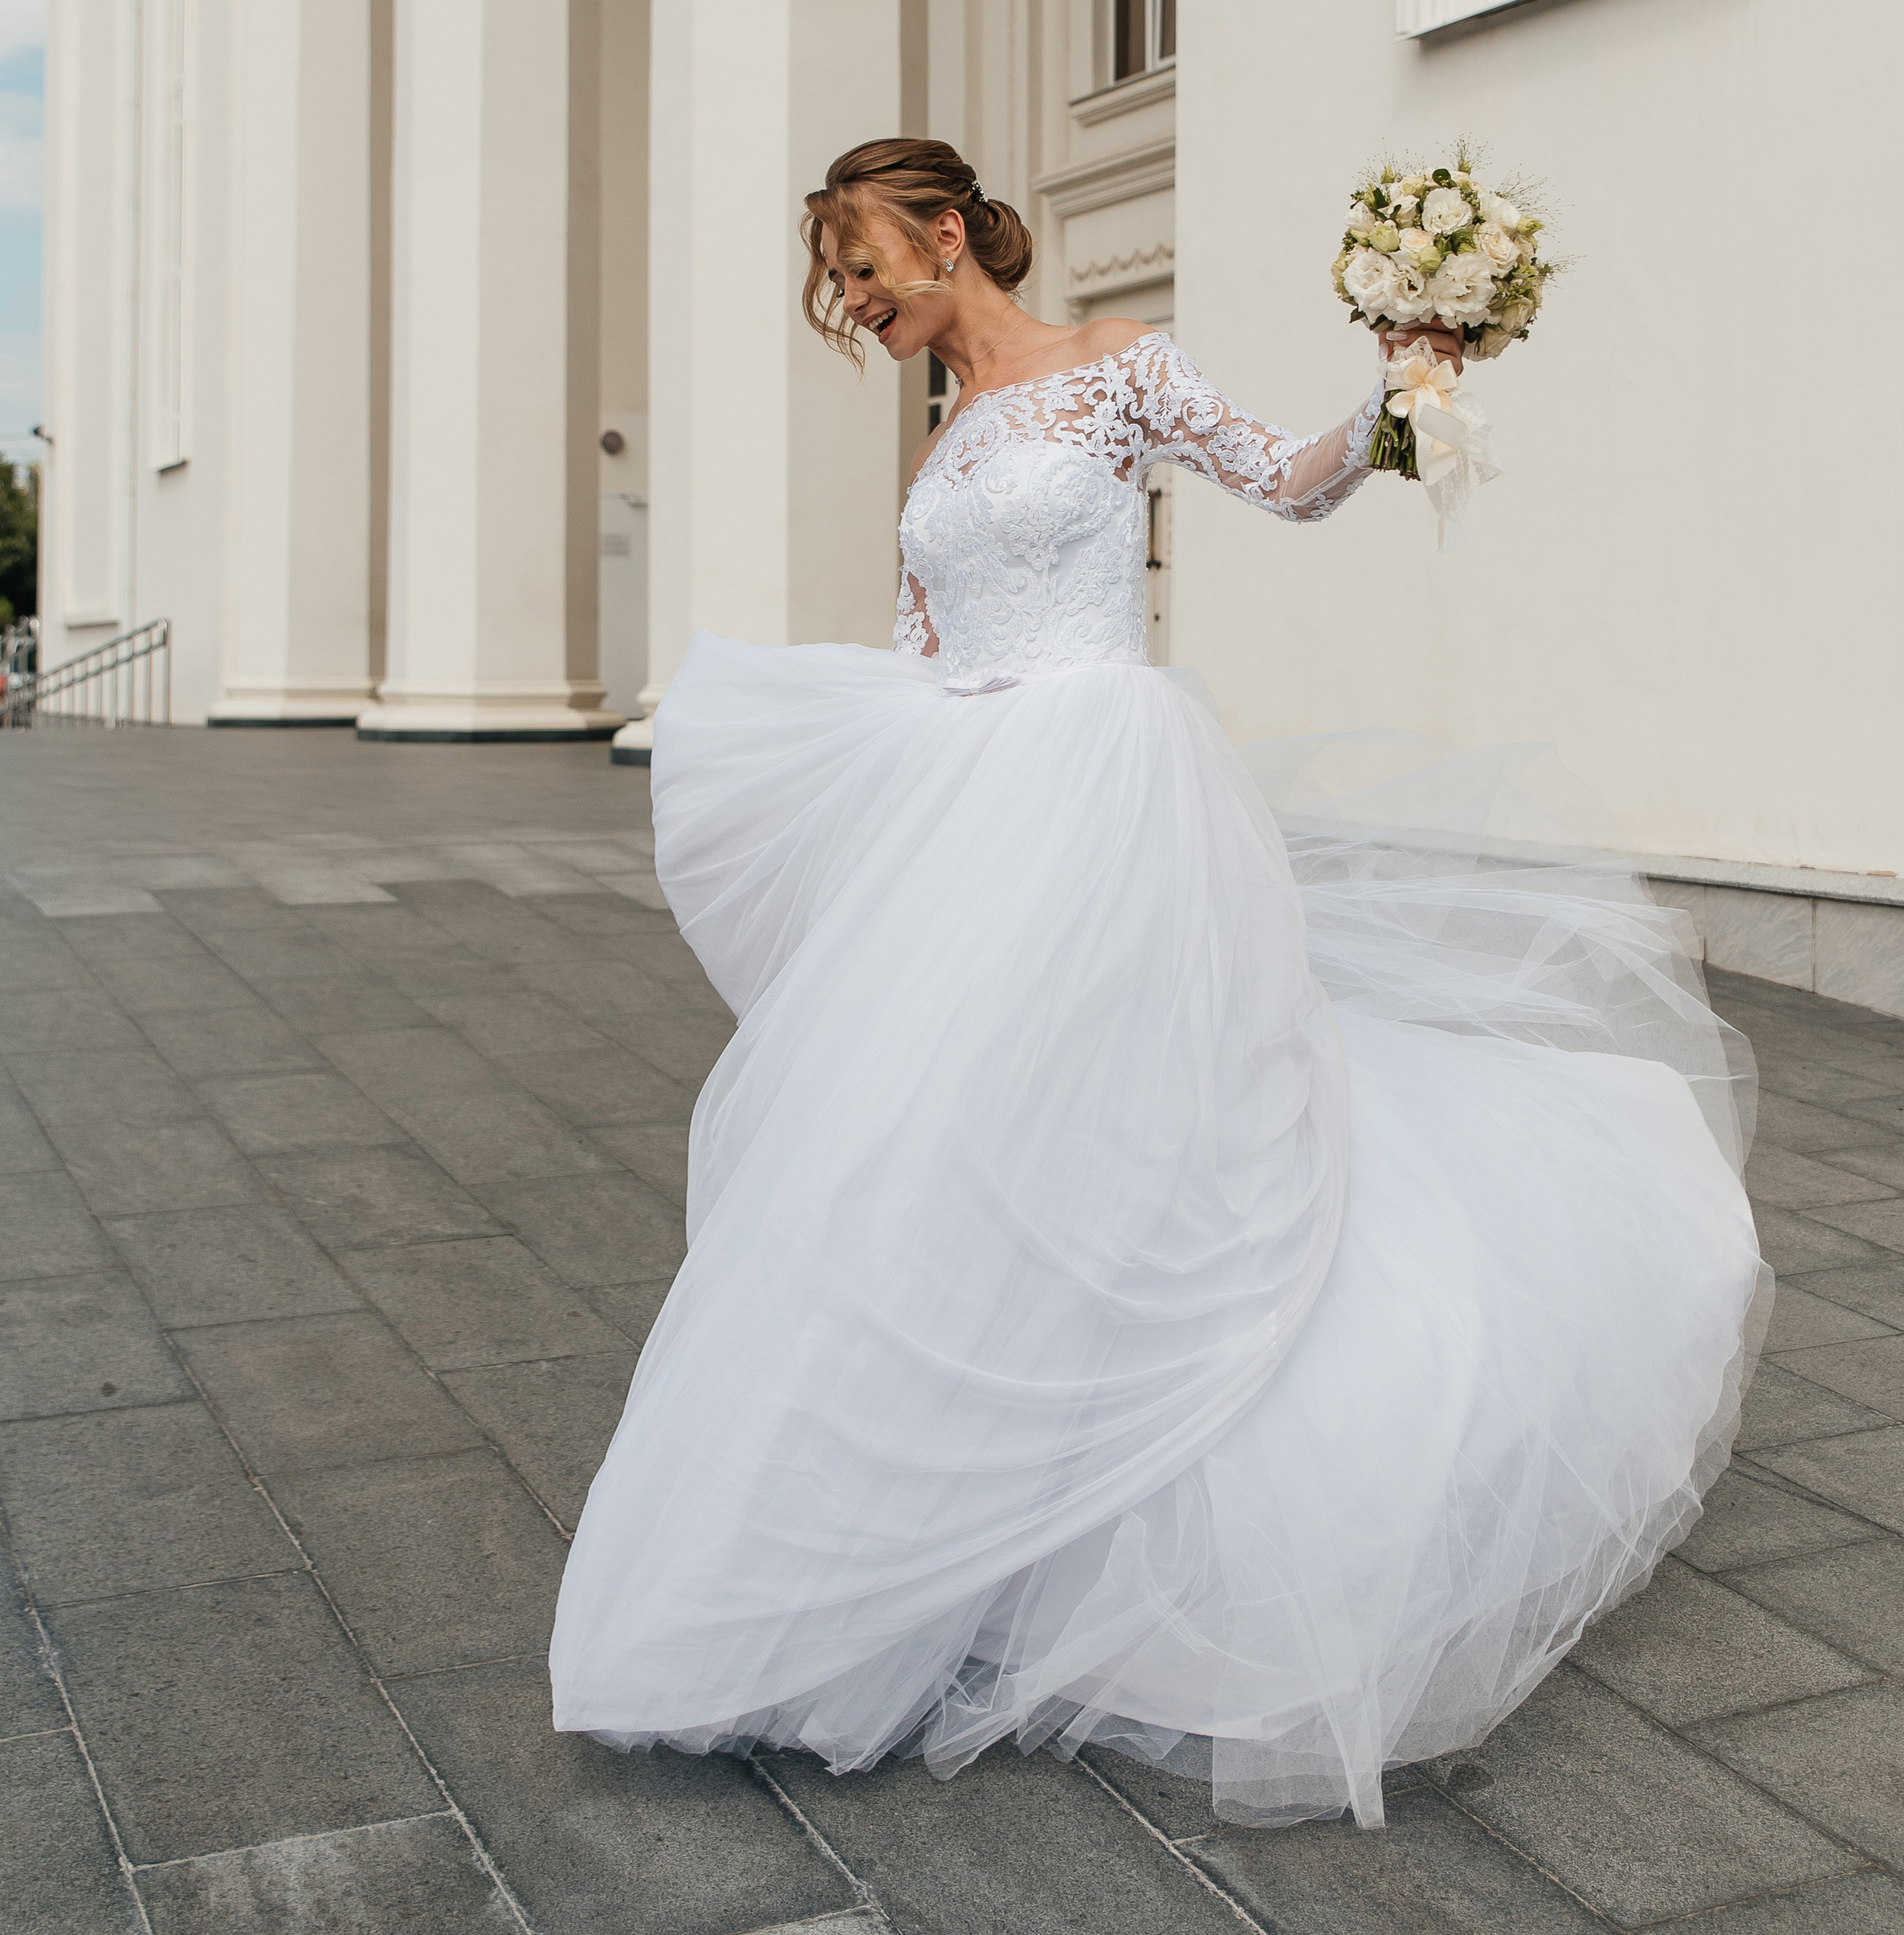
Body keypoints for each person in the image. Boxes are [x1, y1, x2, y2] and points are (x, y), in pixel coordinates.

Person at [548, 138, 1765, 1827]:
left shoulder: (1114, 366)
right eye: (833, 281)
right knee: (941, 1145)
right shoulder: (945, 441)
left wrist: (1401, 387)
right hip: (975, 807)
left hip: (1112, 790)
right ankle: (925, 1529)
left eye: (862, 262)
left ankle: (1132, 1492)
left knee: (1139, 1126)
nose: (850, 301)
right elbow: (918, 647)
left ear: (951, 232)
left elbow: (1284, 480)